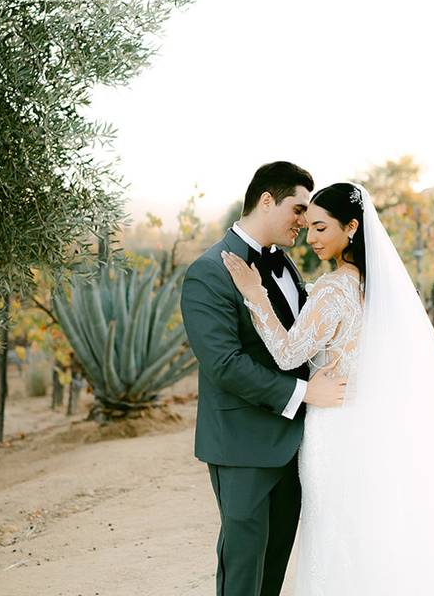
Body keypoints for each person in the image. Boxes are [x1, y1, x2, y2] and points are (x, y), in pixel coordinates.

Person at [221, 182, 434, 595]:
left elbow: (286, 355)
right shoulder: (380, 290)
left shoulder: (334, 289)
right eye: (309, 228)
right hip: (372, 423)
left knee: (339, 529)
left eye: (321, 228)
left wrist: (255, 296)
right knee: (376, 528)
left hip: (335, 428)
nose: (312, 238)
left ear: (351, 227)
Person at [180, 162, 348, 596]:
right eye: (298, 209)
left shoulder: (287, 266)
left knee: (274, 569)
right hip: (243, 446)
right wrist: (307, 391)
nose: (304, 221)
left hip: (297, 443)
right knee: (242, 571)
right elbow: (224, 363)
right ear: (266, 200)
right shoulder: (208, 272)